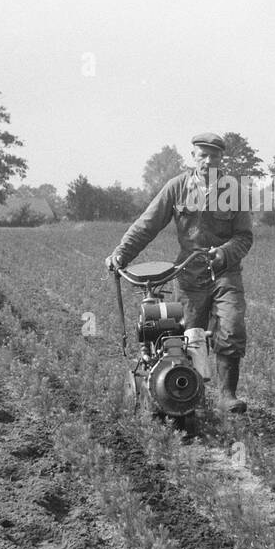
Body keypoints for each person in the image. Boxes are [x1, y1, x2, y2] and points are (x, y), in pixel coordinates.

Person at [105, 131, 253, 413]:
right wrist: (121, 254)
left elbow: (244, 237)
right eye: (203, 155)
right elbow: (147, 224)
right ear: (193, 156)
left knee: (232, 328)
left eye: (214, 156)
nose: (208, 161)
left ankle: (227, 396)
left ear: (222, 159)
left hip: (225, 273)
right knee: (187, 338)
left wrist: (223, 252)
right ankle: (187, 397)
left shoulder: (234, 191)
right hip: (188, 275)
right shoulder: (177, 187)